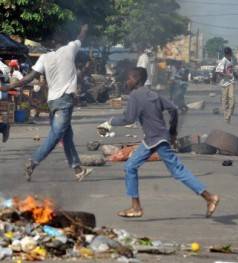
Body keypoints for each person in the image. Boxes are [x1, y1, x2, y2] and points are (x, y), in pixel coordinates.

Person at [98, 67, 219, 218]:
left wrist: (109, 122)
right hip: (154, 139)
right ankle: (135, 207)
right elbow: (174, 110)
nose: (126, 82)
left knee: (178, 171)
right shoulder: (153, 94)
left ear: (136, 80)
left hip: (156, 139)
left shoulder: (135, 96)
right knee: (130, 166)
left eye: (129, 78)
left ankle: (209, 197)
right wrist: (173, 132)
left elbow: (128, 119)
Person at [4, 24, 92, 182]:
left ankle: (78, 169)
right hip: (64, 101)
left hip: (52, 102)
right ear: (64, 41)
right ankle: (33, 162)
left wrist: (9, 86)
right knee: (56, 135)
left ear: (51, 44)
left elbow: (29, 78)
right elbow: (80, 38)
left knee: (67, 136)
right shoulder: (69, 49)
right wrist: (84, 29)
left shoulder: (44, 57)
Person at [215, 47, 235, 123]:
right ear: (227, 54)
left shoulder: (231, 60)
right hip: (224, 83)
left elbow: (231, 70)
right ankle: (226, 115)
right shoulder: (223, 61)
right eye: (229, 54)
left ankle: (229, 114)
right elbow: (218, 71)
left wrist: (235, 75)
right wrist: (227, 75)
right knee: (225, 101)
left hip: (231, 82)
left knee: (232, 99)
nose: (230, 55)